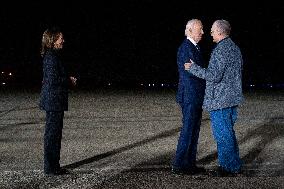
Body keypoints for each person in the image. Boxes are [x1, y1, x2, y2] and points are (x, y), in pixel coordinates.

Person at [185, 19, 243, 176]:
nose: (209, 33)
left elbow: (214, 76)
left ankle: (229, 168)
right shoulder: (234, 48)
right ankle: (233, 165)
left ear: (219, 32)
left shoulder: (220, 49)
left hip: (221, 100)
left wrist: (194, 69)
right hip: (232, 99)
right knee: (228, 133)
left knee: (223, 135)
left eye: (211, 30)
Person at [39, 27, 77, 176]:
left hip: (55, 100)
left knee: (54, 134)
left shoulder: (53, 55)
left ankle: (54, 165)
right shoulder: (51, 57)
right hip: (53, 101)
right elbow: (53, 79)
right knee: (52, 135)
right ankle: (50, 167)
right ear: (53, 40)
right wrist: (69, 81)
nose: (63, 40)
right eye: (61, 38)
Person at [172, 19, 207, 175]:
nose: (203, 32)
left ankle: (189, 164)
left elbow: (197, 70)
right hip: (190, 96)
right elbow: (189, 74)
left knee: (194, 130)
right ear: (190, 30)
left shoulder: (195, 47)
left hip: (195, 96)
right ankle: (179, 164)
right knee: (188, 130)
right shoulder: (186, 48)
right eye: (200, 29)